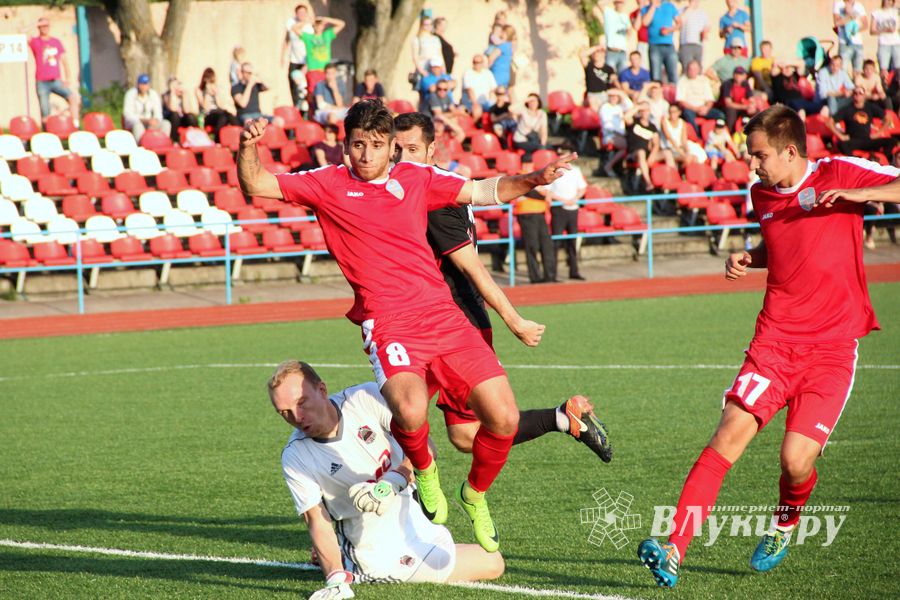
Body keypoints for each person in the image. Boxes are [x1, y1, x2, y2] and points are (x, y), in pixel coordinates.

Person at [237, 99, 577, 554]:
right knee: (410, 409)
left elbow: (482, 190)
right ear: (346, 144)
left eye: (377, 145)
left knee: (504, 417)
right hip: (388, 321)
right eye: (358, 144)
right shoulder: (326, 183)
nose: (366, 154)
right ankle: (426, 471)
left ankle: (475, 494)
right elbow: (256, 182)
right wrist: (248, 146)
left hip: (443, 314)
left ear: (391, 148)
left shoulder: (416, 178)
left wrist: (533, 179)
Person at [637, 103, 900, 588]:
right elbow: (783, 243)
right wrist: (751, 257)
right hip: (775, 341)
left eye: (759, 156)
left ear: (791, 151)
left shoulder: (840, 171)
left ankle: (784, 523)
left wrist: (859, 193)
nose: (752, 166)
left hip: (832, 349)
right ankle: (674, 548)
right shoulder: (762, 194)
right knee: (727, 436)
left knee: (796, 462)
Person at [392, 112, 612, 454]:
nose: (402, 158)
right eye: (397, 149)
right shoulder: (441, 185)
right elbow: (489, 190)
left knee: (399, 414)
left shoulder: (433, 198)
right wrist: (533, 178)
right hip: (442, 316)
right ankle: (562, 418)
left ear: (431, 149)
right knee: (465, 435)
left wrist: (515, 321)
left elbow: (473, 269)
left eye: (412, 149)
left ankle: (403, 495)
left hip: (448, 325)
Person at [270, 360, 505, 599]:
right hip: (376, 554)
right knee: (492, 562)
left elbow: (427, 449)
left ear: (322, 390)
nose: (297, 417)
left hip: (416, 522)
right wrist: (335, 580)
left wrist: (394, 480)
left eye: (301, 403)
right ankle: (350, 567)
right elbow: (317, 521)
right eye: (284, 412)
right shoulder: (295, 456)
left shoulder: (366, 398)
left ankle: (338, 554)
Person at [542, 148, 588, 280]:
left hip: (573, 209)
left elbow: (582, 188)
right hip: (559, 209)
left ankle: (574, 271)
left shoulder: (576, 170)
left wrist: (574, 199)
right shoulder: (553, 171)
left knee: (572, 242)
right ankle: (552, 274)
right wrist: (563, 200)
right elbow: (548, 191)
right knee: (556, 242)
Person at [28, 16, 80, 125]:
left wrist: (68, 77)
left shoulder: (56, 42)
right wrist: (34, 24)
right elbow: (25, 35)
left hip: (56, 80)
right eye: (41, 26)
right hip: (42, 81)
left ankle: (76, 124)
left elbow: (64, 61)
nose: (44, 28)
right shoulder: (36, 42)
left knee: (73, 98)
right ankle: (47, 132)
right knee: (45, 110)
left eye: (46, 26)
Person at [828, 85, 895, 157]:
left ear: (864, 95)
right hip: (853, 139)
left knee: (892, 141)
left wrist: (878, 133)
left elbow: (888, 118)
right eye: (855, 93)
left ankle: (882, 161)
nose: (858, 95)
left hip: (868, 139)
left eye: (860, 93)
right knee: (841, 144)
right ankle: (854, 161)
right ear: (852, 95)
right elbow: (829, 122)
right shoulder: (847, 109)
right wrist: (840, 136)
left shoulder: (870, 107)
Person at [303, 15, 346, 107]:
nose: (318, 26)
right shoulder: (309, 37)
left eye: (320, 24)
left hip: (326, 71)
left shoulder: (326, 35)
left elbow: (342, 24)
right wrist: (307, 21)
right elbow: (294, 29)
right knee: (312, 93)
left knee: (326, 91)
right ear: (313, 26)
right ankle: (311, 112)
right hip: (313, 70)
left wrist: (327, 20)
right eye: (316, 24)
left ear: (323, 26)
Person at [676, 60, 725, 135]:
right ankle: (697, 136)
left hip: (703, 108)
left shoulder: (703, 80)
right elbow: (681, 101)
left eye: (695, 69)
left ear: (698, 70)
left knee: (720, 115)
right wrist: (696, 109)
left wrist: (706, 108)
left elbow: (710, 99)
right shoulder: (682, 81)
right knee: (687, 114)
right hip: (690, 108)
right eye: (690, 69)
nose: (692, 71)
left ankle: (717, 136)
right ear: (687, 69)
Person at [282, 3, 315, 110]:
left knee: (304, 86)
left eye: (304, 13)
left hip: (305, 61)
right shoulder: (291, 22)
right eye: (299, 12)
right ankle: (296, 107)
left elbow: (312, 47)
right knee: (293, 84)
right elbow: (288, 37)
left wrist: (308, 63)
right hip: (294, 60)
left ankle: (306, 109)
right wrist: (283, 55)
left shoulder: (309, 27)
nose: (301, 14)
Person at [625, 101, 664, 190]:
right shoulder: (634, 122)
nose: (645, 112)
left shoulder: (652, 127)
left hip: (648, 152)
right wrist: (638, 107)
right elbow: (626, 117)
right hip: (634, 152)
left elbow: (656, 143)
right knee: (641, 152)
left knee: (667, 153)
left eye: (647, 110)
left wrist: (652, 155)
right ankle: (648, 182)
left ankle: (671, 180)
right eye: (643, 110)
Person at [641, 0, 681, 84]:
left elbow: (679, 23)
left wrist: (669, 30)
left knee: (673, 74)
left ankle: (673, 94)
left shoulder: (670, 6)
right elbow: (645, 22)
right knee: (655, 76)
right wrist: (653, 7)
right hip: (654, 45)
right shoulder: (646, 9)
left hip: (669, 45)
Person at [123, 74, 171, 141]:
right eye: (141, 84)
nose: (143, 87)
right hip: (137, 122)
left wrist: (156, 120)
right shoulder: (131, 94)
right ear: (138, 85)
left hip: (151, 123)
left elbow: (158, 112)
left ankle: (163, 142)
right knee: (138, 127)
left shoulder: (153, 94)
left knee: (166, 124)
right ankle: (140, 146)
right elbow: (128, 115)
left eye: (146, 84)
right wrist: (144, 121)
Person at [195, 68, 239, 140]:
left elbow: (220, 105)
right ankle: (217, 139)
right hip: (207, 115)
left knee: (227, 115)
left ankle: (238, 134)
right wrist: (207, 93)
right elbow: (205, 107)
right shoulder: (199, 90)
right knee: (225, 115)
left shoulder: (216, 88)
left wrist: (216, 94)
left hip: (219, 113)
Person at [594, 0, 633, 74]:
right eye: (618, 2)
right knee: (609, 74)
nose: (619, 5)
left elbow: (630, 32)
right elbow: (599, 3)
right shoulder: (609, 13)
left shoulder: (625, 16)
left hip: (622, 51)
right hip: (611, 51)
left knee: (623, 75)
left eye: (621, 3)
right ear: (614, 3)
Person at [599, 89, 631, 176]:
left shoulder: (619, 107)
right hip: (610, 135)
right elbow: (607, 126)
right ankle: (609, 166)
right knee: (626, 145)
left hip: (621, 135)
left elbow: (630, 106)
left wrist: (621, 92)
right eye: (611, 96)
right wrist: (620, 134)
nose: (613, 98)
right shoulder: (605, 107)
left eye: (615, 96)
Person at [720, 66, 759, 131]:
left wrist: (752, 106)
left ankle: (756, 131)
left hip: (741, 106)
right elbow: (728, 103)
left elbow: (751, 99)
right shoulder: (727, 84)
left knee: (756, 111)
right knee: (731, 111)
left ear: (745, 76)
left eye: (741, 74)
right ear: (733, 75)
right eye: (737, 74)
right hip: (726, 108)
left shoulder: (745, 84)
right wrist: (745, 107)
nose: (738, 76)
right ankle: (731, 132)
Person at [660, 103, 698, 169]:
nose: (672, 114)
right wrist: (682, 153)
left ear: (679, 112)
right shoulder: (664, 122)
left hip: (679, 148)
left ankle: (682, 172)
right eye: (670, 112)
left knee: (694, 158)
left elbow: (684, 139)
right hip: (669, 149)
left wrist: (687, 151)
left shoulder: (682, 123)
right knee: (687, 158)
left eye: (674, 112)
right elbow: (669, 138)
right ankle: (678, 174)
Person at [580, 45, 618, 111]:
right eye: (595, 53)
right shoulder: (589, 66)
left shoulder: (609, 69)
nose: (596, 54)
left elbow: (614, 82)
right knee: (594, 106)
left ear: (604, 54)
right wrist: (596, 47)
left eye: (599, 52)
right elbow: (582, 55)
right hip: (592, 94)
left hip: (604, 94)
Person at [512, 93, 548, 162]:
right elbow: (511, 109)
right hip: (520, 140)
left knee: (546, 147)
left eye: (534, 101)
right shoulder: (523, 111)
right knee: (536, 146)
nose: (532, 103)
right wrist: (525, 100)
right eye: (530, 101)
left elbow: (544, 131)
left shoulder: (542, 114)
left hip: (533, 140)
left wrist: (543, 144)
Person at [835, 0, 868, 75]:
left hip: (858, 43)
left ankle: (857, 86)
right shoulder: (839, 4)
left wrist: (855, 30)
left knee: (858, 70)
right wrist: (849, 16)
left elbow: (865, 25)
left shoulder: (859, 6)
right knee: (843, 69)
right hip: (845, 43)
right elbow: (837, 23)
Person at [161, 76, 199, 142]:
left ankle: (196, 138)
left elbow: (186, 111)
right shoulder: (166, 95)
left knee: (191, 117)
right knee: (175, 115)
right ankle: (174, 140)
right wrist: (172, 93)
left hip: (182, 119)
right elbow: (172, 109)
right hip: (172, 119)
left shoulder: (183, 94)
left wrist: (184, 96)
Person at [462, 54, 498, 122]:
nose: (477, 64)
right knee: (477, 110)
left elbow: (493, 89)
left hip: (486, 101)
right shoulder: (468, 73)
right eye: (475, 62)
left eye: (479, 62)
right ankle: (476, 128)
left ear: (482, 63)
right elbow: (469, 90)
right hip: (472, 102)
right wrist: (475, 103)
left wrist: (492, 100)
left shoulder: (488, 73)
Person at [678, 0, 709, 75]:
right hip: (686, 44)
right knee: (686, 68)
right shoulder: (683, 10)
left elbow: (707, 26)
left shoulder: (702, 13)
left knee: (698, 68)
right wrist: (690, 8)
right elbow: (679, 22)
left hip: (698, 44)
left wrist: (705, 32)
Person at [870, 0, 899, 76]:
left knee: (898, 68)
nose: (887, 2)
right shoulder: (877, 13)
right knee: (883, 68)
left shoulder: (895, 11)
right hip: (883, 43)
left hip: (896, 43)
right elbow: (872, 31)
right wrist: (885, 30)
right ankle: (885, 86)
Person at [412, 15, 443, 80]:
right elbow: (415, 57)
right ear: (422, 25)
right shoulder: (417, 39)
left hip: (436, 70)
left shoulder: (436, 39)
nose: (429, 26)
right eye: (426, 24)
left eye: (430, 24)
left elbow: (440, 56)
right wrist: (422, 72)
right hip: (424, 70)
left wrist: (443, 70)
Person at [486, 25, 514, 91]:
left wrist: (485, 71)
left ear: (505, 33)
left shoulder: (503, 46)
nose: (500, 33)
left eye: (502, 31)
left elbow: (491, 58)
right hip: (505, 74)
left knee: (495, 94)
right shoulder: (509, 45)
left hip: (497, 73)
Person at [630, 0, 651, 68]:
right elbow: (636, 27)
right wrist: (640, 11)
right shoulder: (633, 13)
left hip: (654, 42)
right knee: (643, 66)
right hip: (642, 43)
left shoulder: (652, 10)